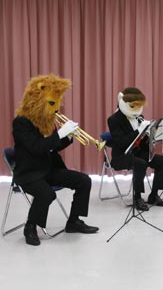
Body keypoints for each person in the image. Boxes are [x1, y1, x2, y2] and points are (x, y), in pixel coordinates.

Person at [13, 74, 99, 246]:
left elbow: (51, 147)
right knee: (47, 193)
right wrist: (60, 133)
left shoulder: (47, 120)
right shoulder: (21, 123)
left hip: (47, 169)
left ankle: (73, 222)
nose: (56, 107)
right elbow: (36, 147)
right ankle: (30, 227)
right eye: (52, 103)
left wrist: (67, 137)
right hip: (28, 173)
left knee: (84, 180)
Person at [108, 87, 163, 211]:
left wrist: (152, 135)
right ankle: (137, 198)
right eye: (133, 106)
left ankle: (154, 195)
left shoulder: (139, 117)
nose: (136, 110)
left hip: (138, 153)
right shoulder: (114, 119)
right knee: (140, 163)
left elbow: (143, 143)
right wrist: (139, 131)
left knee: (162, 161)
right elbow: (121, 143)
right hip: (121, 156)